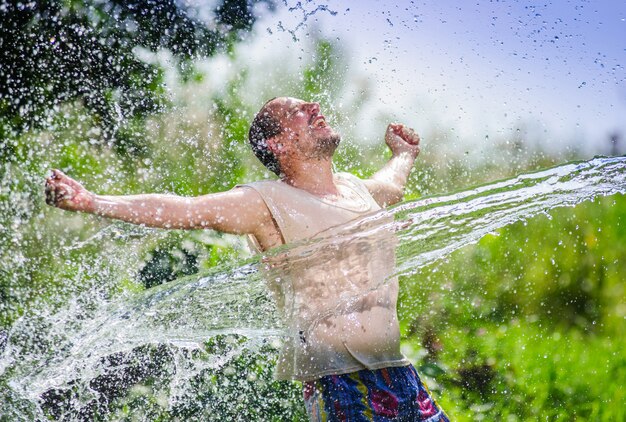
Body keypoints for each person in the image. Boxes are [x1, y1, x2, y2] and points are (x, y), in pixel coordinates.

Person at [45, 97, 449, 421]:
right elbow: (184, 210)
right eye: (297, 112)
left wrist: (404, 153)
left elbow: (391, 185)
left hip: (398, 371)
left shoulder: (357, 189)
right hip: (338, 380)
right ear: (279, 145)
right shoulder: (264, 202)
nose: (313, 108)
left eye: (310, 106)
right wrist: (94, 202)